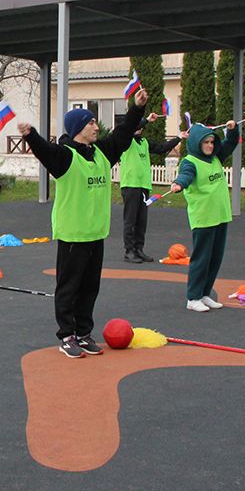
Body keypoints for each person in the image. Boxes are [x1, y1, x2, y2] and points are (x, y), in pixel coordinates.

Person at [18, 90, 147, 358]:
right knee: (69, 287)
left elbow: (123, 135)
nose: (96, 126)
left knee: (90, 287)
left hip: (95, 232)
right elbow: (46, 152)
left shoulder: (100, 153)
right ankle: (67, 335)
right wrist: (30, 135)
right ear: (78, 128)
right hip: (73, 233)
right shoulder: (65, 157)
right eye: (90, 122)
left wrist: (136, 108)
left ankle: (84, 332)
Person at [169, 120, 240, 312]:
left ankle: (205, 293)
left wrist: (232, 131)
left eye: (211, 142)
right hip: (204, 217)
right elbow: (185, 175)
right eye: (205, 142)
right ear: (196, 143)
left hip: (220, 215)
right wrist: (179, 184)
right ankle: (193, 297)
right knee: (202, 258)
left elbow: (231, 143)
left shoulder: (216, 157)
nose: (209, 146)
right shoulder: (190, 162)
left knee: (216, 258)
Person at [119, 94, 183, 263]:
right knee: (130, 220)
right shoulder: (126, 141)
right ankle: (129, 251)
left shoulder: (144, 142)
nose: (140, 128)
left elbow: (162, 148)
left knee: (142, 221)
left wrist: (179, 138)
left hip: (144, 186)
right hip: (130, 185)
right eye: (137, 126)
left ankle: (139, 249)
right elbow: (132, 125)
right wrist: (146, 119)